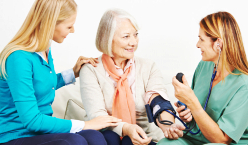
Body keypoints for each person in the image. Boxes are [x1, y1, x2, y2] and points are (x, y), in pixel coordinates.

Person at [0, 0, 121, 145]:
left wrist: (73, 73)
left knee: (108, 137)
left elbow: (41, 85)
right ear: (50, 23)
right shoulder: (18, 58)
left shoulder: (44, 50)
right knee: (74, 141)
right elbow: (32, 120)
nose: (73, 30)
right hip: (13, 137)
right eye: (69, 26)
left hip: (40, 134)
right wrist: (85, 124)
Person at [79, 9, 186, 145]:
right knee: (111, 137)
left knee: (130, 141)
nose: (134, 42)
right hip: (106, 137)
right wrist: (126, 128)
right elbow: (98, 116)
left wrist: (168, 125)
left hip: (144, 137)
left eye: (135, 35)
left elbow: (158, 101)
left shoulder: (148, 67)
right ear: (107, 38)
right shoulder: (91, 69)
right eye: (126, 36)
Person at [158, 11, 248, 145]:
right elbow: (197, 112)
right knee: (165, 143)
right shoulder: (204, 66)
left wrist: (193, 102)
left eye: (201, 39)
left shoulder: (245, 86)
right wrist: (188, 114)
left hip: (224, 143)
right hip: (196, 139)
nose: (197, 45)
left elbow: (222, 140)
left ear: (218, 43)